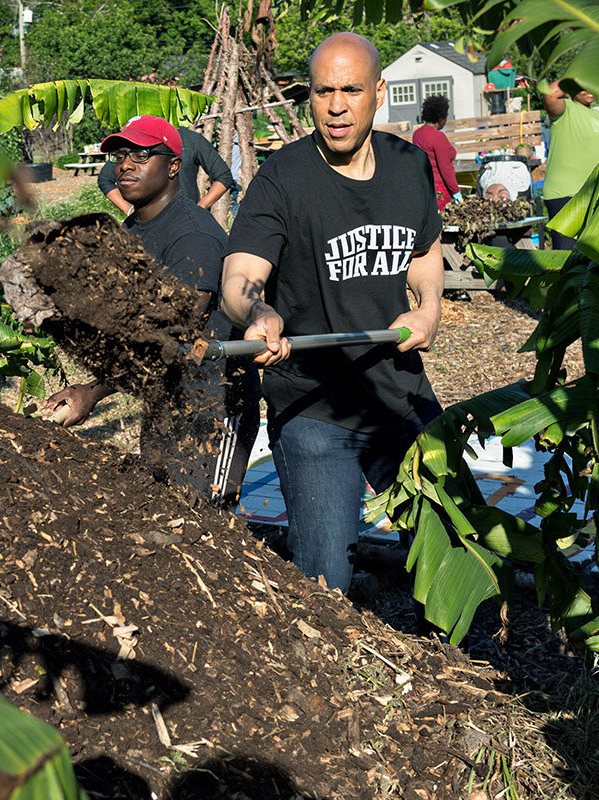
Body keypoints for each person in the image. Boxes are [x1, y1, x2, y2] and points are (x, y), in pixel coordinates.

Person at [220, 33, 445, 593]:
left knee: (447, 551)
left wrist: (430, 308)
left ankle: (444, 667)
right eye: (324, 92)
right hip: (314, 404)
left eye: (351, 90)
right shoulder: (282, 178)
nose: (337, 106)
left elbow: (424, 254)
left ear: (378, 93)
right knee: (324, 583)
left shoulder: (408, 165)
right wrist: (259, 312)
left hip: (400, 394)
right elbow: (239, 277)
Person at [48, 116, 259, 508]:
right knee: (166, 516)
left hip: (212, 408)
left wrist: (92, 392)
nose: (125, 165)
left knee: (207, 526)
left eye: (142, 155)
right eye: (121, 156)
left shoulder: (191, 235)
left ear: (174, 166)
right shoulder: (134, 230)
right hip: (165, 401)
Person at [98, 124, 235, 216]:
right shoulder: (136, 140)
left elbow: (223, 176)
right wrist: (130, 210)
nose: (126, 165)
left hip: (183, 220)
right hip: (146, 221)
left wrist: (199, 209)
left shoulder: (189, 139)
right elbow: (105, 179)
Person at [541, 77, 599, 250]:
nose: (588, 89)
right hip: (566, 195)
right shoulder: (566, 109)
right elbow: (550, 96)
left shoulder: (598, 115)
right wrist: (574, 74)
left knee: (592, 257)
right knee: (567, 258)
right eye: (581, 86)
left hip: (595, 194)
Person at [412, 95, 461, 210]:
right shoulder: (438, 137)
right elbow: (445, 168)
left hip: (425, 187)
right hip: (440, 189)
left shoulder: (417, 134)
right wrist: (456, 191)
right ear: (441, 118)